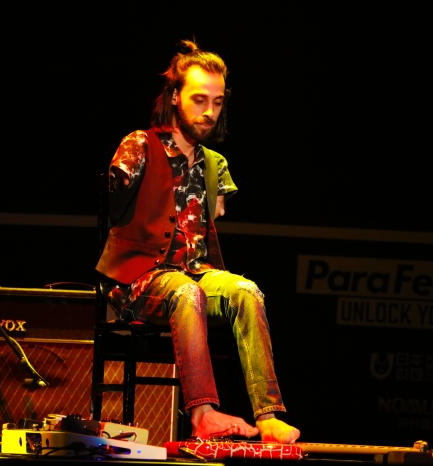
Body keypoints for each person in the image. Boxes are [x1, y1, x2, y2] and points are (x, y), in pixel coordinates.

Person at [96, 40, 299, 444]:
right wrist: (122, 181)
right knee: (186, 293)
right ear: (174, 96)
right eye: (199, 100)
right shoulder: (140, 144)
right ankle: (203, 414)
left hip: (195, 274)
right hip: (138, 280)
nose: (209, 112)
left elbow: (212, 212)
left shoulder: (214, 163)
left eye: (217, 102)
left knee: (246, 291)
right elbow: (114, 199)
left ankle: (269, 414)